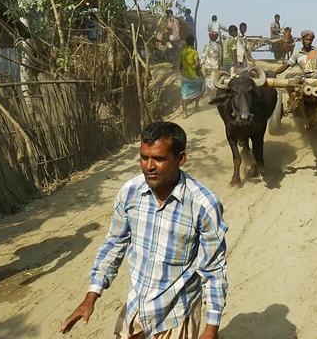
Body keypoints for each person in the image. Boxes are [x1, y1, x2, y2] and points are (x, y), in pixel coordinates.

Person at [59, 121, 228, 339]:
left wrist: (211, 327)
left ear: (181, 158)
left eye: (158, 158)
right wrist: (91, 295)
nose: (149, 166)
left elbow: (214, 270)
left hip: (175, 318)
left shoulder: (203, 205)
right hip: (136, 311)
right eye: (144, 157)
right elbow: (115, 244)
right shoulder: (130, 192)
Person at [274, 30, 317, 114]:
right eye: (306, 39)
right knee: (289, 79)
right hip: (304, 77)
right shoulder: (297, 54)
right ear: (302, 39)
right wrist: (274, 73)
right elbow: (286, 66)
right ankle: (291, 101)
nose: (308, 42)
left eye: (310, 40)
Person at [179, 35, 204, 118]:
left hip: (185, 77)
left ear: (186, 42)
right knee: (199, 89)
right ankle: (196, 106)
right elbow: (197, 64)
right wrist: (198, 68)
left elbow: (180, 65)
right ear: (193, 43)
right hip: (194, 76)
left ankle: (185, 112)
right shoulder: (194, 52)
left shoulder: (182, 53)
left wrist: (183, 72)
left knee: (184, 95)